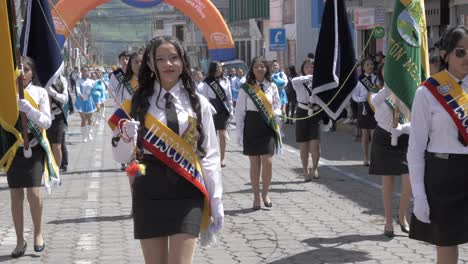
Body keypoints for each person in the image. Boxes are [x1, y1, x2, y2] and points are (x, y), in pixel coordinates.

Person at [109, 35, 223, 263]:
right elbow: (119, 155)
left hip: (188, 187)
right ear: (150, 64)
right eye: (160, 59)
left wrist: (216, 199)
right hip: (149, 187)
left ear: (183, 61)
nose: (168, 64)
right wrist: (125, 136)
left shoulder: (198, 103)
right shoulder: (135, 103)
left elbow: (210, 155)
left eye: (174, 58)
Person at [408, 25, 468, 264]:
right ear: (446, 55)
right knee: (446, 243)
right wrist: (419, 195)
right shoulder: (427, 92)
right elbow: (415, 148)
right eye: (460, 52)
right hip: (443, 176)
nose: (467, 57)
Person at [8, 57, 52, 258]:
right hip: (13, 151)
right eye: (19, 69)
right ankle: (19, 240)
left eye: (26, 69)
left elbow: (47, 121)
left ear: (32, 72)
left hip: (34, 149)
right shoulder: (6, 93)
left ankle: (38, 232)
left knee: (33, 193)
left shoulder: (40, 92)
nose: (22, 72)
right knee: (16, 196)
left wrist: (29, 109)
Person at [369, 63, 411, 238]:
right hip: (384, 137)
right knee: (388, 181)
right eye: (386, 69)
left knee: (409, 180)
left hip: (404, 137)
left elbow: (417, 118)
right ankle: (388, 220)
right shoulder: (379, 92)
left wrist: (404, 128)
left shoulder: (410, 90)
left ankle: (402, 216)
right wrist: (388, 88)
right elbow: (374, 102)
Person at [235, 56, 282, 210]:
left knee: (267, 162)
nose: (260, 69)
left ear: (266, 68)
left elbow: (277, 105)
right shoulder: (246, 87)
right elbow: (240, 112)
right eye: (256, 66)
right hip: (252, 125)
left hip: (267, 125)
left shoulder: (272, 86)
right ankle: (256, 196)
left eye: (262, 66)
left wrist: (276, 113)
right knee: (254, 163)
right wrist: (239, 133)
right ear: (252, 69)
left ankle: (266, 194)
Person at [291, 58, 321, 181]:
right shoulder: (298, 81)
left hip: (315, 112)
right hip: (302, 111)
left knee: (315, 144)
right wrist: (311, 77)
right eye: (307, 67)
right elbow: (294, 80)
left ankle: (315, 168)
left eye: (313, 67)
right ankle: (305, 170)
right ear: (303, 69)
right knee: (304, 144)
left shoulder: (319, 81)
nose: (310, 69)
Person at [199, 61, 233, 168]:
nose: (219, 69)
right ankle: (212, 156)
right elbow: (204, 98)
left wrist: (231, 110)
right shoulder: (207, 82)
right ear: (213, 68)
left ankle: (222, 158)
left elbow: (229, 97)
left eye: (220, 67)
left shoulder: (225, 81)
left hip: (222, 109)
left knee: (222, 134)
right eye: (217, 67)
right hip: (211, 109)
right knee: (211, 135)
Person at [352, 57, 377, 166]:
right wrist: (361, 100)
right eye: (367, 64)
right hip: (364, 108)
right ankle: (366, 158)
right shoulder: (359, 80)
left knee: (374, 133)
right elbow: (354, 95)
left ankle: (374, 158)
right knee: (365, 134)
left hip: (375, 107)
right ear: (363, 67)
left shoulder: (378, 78)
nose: (370, 66)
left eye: (371, 64)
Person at [45, 75, 69, 168]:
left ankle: (57, 171)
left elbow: (65, 99)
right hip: (44, 116)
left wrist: (52, 92)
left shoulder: (61, 79)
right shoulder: (38, 79)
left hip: (57, 116)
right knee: (47, 145)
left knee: (57, 145)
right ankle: (47, 169)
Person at [74, 67, 96, 142]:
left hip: (89, 101)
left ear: (89, 72)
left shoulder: (92, 81)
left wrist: (92, 93)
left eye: (87, 71)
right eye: (84, 71)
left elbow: (94, 89)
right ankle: (84, 136)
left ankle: (89, 133)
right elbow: (77, 88)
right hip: (81, 101)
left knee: (90, 119)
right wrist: (80, 94)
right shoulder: (78, 81)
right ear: (81, 72)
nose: (85, 73)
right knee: (83, 119)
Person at [271, 60, 288, 137]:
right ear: (271, 67)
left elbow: (285, 83)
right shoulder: (270, 76)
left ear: (279, 66)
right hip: (273, 95)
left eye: (276, 65)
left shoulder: (282, 74)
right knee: (275, 113)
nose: (275, 66)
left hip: (282, 95)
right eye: (273, 65)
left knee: (283, 112)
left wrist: (279, 83)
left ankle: (281, 129)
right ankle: (275, 128)